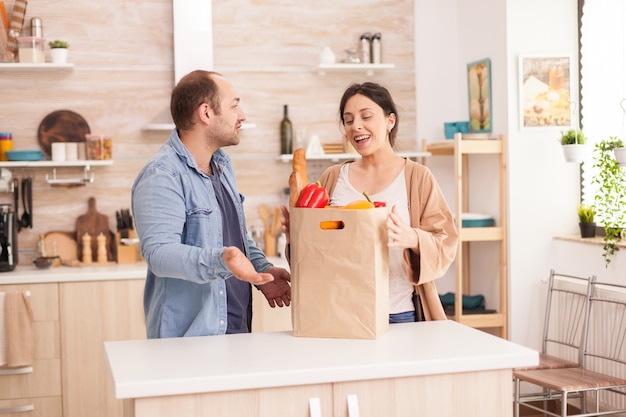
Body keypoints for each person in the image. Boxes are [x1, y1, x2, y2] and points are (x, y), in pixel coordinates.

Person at [132, 70, 291, 339]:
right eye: (234, 105)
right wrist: (220, 261)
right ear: (206, 113)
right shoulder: (162, 174)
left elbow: (233, 235)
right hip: (190, 339)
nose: (242, 115)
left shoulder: (222, 164)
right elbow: (159, 254)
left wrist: (262, 271)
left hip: (236, 329)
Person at [282, 81, 457, 322]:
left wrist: (413, 238)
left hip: (398, 312)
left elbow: (446, 242)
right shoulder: (332, 178)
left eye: (366, 116)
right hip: (339, 312)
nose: (357, 126)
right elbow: (313, 256)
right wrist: (297, 236)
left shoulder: (417, 177)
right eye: (349, 119)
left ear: (389, 121)